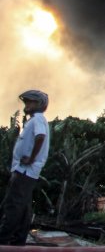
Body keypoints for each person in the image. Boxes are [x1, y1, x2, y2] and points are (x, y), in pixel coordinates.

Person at [0, 89, 50, 245]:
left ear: (39, 104)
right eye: (26, 102)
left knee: (13, 205)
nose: (27, 105)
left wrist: (31, 158)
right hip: (24, 171)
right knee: (23, 207)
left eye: (31, 102)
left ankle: (3, 239)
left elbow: (40, 137)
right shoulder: (35, 120)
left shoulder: (38, 119)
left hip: (25, 170)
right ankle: (18, 240)